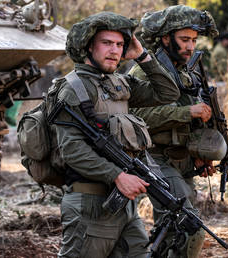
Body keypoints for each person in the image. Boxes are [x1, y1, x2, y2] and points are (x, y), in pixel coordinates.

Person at [51, 12, 180, 258]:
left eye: (120, 44)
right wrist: (117, 175)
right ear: (88, 46)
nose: (115, 50)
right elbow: (71, 149)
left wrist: (142, 57)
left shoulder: (119, 83)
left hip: (125, 206)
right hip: (90, 205)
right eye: (107, 43)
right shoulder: (73, 88)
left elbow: (168, 93)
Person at [129, 5, 225, 258]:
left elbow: (190, 121)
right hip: (156, 159)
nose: (191, 47)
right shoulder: (144, 72)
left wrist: (199, 154)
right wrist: (187, 112)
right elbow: (134, 118)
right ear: (165, 38)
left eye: (194, 40)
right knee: (190, 228)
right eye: (184, 40)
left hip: (182, 160)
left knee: (173, 233)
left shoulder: (186, 73)